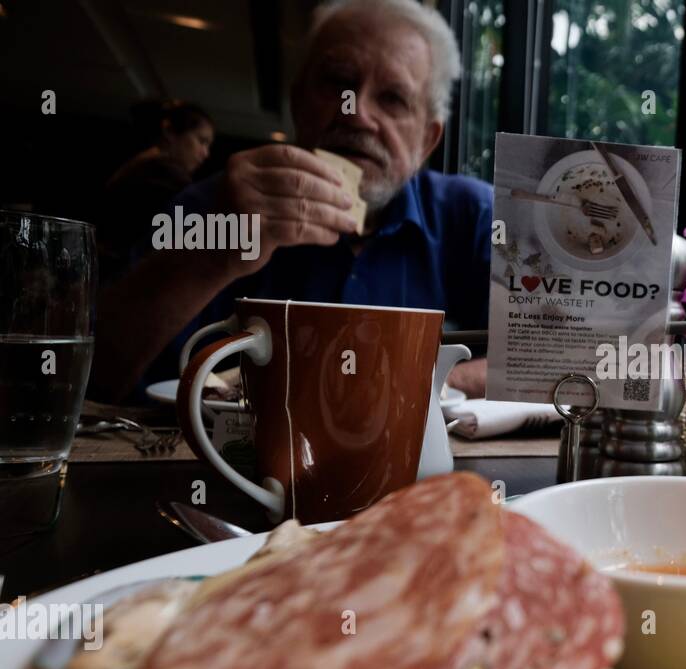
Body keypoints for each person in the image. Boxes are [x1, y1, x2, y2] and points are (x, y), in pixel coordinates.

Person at [91, 0, 491, 402]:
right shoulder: (219, 202)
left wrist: (431, 382)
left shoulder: (472, 217)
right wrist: (209, 257)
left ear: (426, 140)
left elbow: (546, 357)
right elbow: (97, 374)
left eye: (392, 98)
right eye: (338, 81)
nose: (356, 114)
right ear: (297, 101)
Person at [98, 100, 214, 284]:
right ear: (169, 131)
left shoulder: (143, 163)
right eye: (202, 141)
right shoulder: (161, 170)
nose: (205, 153)